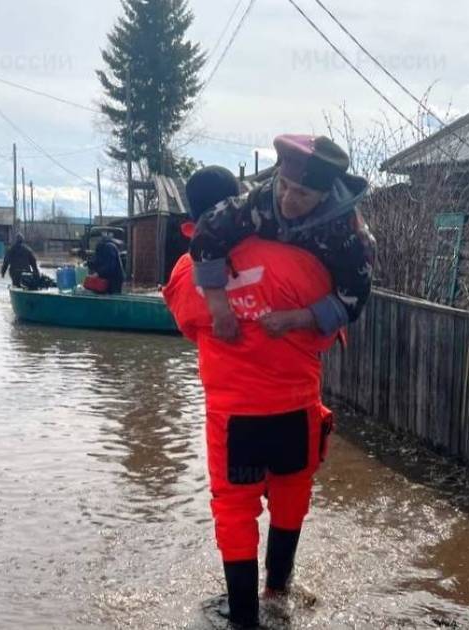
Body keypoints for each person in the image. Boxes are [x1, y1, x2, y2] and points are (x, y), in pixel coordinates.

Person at [163, 166, 338, 629]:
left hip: (234, 417)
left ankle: (244, 619)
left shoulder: (186, 272)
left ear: (192, 225)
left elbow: (188, 326)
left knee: (235, 511)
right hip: (296, 409)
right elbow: (328, 328)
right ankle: (278, 592)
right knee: (291, 497)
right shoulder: (298, 260)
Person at [190, 134, 375, 342]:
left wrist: (297, 319)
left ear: (324, 194)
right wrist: (219, 308)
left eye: (302, 194)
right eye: (284, 185)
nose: (287, 201)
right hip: (252, 307)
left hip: (306, 328)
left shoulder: (350, 235)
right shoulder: (260, 199)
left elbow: (352, 302)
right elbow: (206, 230)